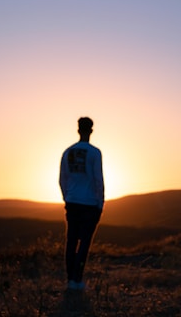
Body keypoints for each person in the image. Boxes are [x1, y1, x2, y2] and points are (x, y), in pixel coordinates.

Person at [59, 117, 104, 290]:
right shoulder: (94, 153)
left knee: (71, 241)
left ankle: (71, 279)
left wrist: (67, 197)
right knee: (84, 242)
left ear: (78, 130)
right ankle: (77, 279)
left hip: (72, 202)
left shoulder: (67, 152)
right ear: (91, 131)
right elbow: (98, 180)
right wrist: (100, 202)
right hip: (90, 203)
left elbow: (62, 179)